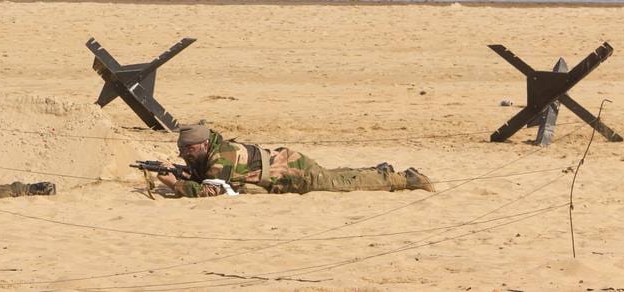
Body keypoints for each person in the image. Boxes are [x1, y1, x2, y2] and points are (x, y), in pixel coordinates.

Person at [154, 123, 433, 197]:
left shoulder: (222, 155)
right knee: (335, 175)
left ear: (202, 145)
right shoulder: (211, 151)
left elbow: (211, 190)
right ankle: (378, 170)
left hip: (290, 172)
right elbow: (206, 177)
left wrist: (175, 185)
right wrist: (181, 173)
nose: (184, 155)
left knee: (339, 183)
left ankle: (403, 179)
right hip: (283, 165)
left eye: (188, 150)